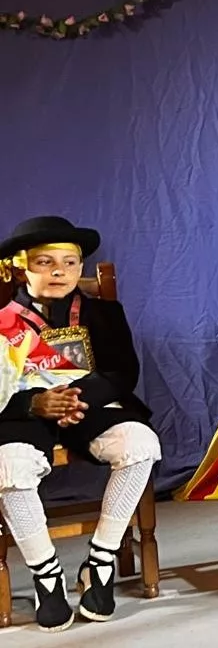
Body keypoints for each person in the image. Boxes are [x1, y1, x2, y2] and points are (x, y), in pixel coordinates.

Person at [0, 217, 162, 631]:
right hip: (24, 413)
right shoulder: (3, 322)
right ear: (21, 266)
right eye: (45, 262)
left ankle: (101, 561)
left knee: (140, 442)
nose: (59, 272)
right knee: (8, 465)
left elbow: (124, 372)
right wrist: (37, 403)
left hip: (92, 405)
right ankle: (46, 575)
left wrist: (77, 398)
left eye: (69, 263)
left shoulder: (105, 313)